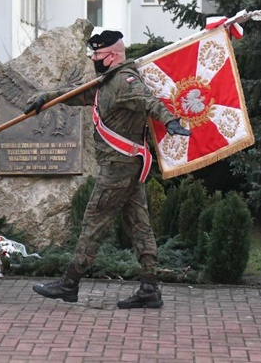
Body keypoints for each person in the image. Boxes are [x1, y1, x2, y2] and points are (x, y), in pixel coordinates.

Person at [25, 30, 191, 309]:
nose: (94, 59)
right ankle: (150, 288)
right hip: (128, 167)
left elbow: (149, 101)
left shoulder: (125, 82)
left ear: (112, 56)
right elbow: (80, 93)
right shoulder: (109, 81)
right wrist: (46, 97)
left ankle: (70, 282)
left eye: (98, 55)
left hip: (118, 168)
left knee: (94, 221)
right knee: (139, 225)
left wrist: (171, 121)